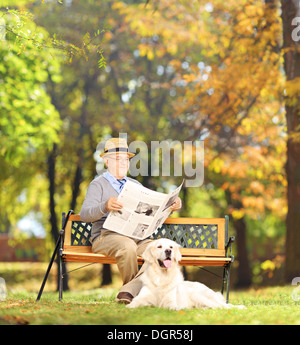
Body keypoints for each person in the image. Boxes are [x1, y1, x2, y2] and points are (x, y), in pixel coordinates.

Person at [80, 137, 182, 304]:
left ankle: (128, 293)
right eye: (118, 159)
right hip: (106, 237)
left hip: (136, 236)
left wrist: (170, 208)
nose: (123, 163)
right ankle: (135, 293)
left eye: (126, 159)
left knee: (158, 251)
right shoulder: (97, 185)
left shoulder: (135, 184)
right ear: (106, 161)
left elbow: (151, 214)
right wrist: (105, 206)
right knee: (127, 247)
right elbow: (84, 214)